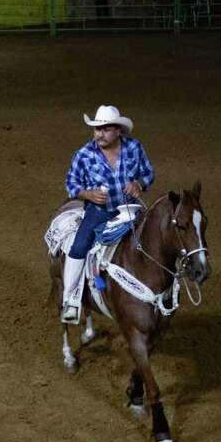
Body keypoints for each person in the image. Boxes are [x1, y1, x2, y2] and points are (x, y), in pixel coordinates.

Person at [60, 106, 154, 324]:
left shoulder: (134, 147)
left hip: (130, 208)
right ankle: (70, 300)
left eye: (106, 129)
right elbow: (71, 184)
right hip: (99, 211)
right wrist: (87, 194)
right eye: (97, 129)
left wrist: (139, 184)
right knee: (79, 246)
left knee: (155, 238)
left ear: (119, 130)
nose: (100, 134)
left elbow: (148, 173)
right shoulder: (84, 154)